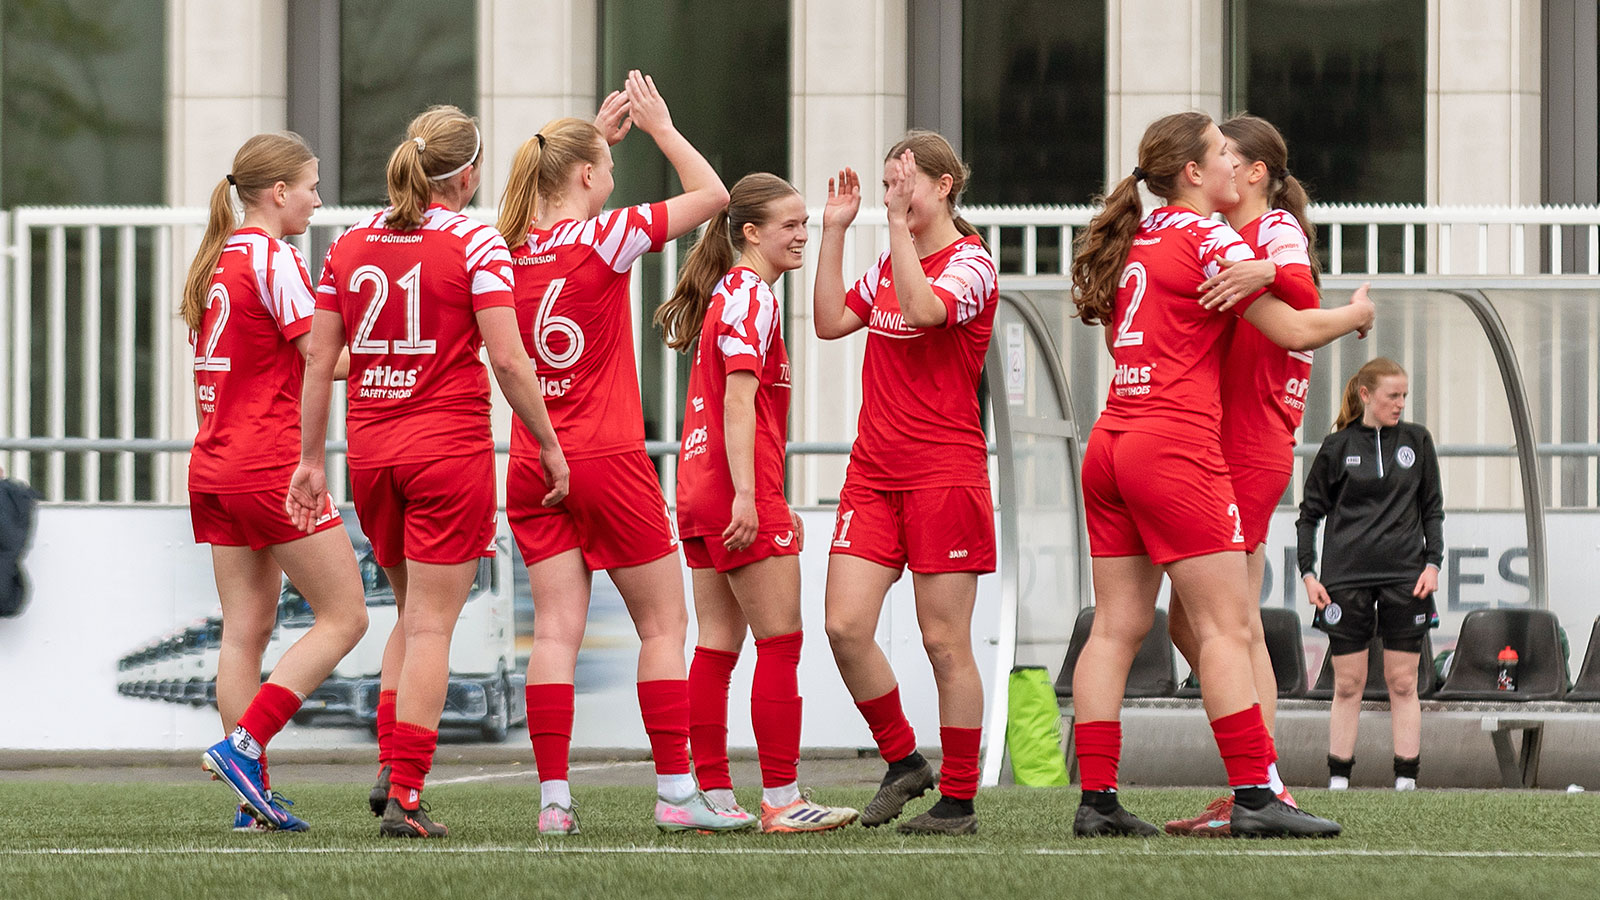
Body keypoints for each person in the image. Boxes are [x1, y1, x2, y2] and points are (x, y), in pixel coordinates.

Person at [1068, 111, 1373, 839]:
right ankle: (1257, 794)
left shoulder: (1138, 234)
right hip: (1174, 446)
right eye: (1219, 153)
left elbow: (1131, 334)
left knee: (1114, 629)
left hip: (1111, 438)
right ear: (1195, 172)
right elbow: (1293, 326)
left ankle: (1097, 801)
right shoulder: (1210, 235)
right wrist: (1358, 311)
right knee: (1229, 628)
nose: (1231, 165)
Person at [287, 105, 569, 839]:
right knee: (435, 628)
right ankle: (407, 795)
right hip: (446, 451)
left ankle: (391, 769)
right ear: (467, 175)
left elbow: (318, 361)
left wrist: (311, 459)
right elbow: (509, 360)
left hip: (372, 454)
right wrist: (548, 442)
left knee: (411, 618)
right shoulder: (476, 240)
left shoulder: (348, 243)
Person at [495, 71, 746, 835]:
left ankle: (554, 804)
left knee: (554, 633)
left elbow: (553, 191)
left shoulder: (504, 248)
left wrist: (591, 141)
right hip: (605, 459)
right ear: (583, 176)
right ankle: (675, 792)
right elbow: (714, 195)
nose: (613, 175)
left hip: (531, 461)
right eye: (605, 166)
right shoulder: (605, 236)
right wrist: (661, 129)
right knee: (663, 626)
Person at [655, 172, 858, 833]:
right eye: (790, 226)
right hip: (731, 491)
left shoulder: (729, 292)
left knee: (717, 645)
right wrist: (751, 495)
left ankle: (710, 796)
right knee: (780, 642)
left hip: (698, 489)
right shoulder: (753, 296)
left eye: (805, 224)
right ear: (750, 233)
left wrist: (768, 493)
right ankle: (783, 799)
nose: (801, 236)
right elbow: (739, 403)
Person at [813, 130, 996, 836]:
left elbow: (925, 311)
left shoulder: (971, 262)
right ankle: (904, 760)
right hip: (873, 474)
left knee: (945, 642)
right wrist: (835, 230)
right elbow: (830, 320)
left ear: (944, 187)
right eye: (889, 183)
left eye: (904, 182)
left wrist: (894, 227)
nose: (894, 194)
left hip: (944, 476)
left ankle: (959, 800)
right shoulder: (892, 261)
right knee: (844, 626)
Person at [190, 132, 368, 833]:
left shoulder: (218, 259)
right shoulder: (274, 258)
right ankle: (243, 747)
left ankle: (251, 799)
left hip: (216, 463)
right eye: (312, 187)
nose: (318, 201)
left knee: (245, 631)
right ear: (278, 192)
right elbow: (324, 359)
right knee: (346, 616)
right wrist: (416, 352)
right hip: (268, 464)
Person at [1163, 113, 1321, 835]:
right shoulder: (1217, 235)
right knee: (1200, 621)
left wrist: (1268, 270)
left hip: (1250, 443)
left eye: (1229, 154)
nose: (1219, 164)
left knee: (1234, 622)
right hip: (1216, 439)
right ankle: (1257, 778)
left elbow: (1305, 296)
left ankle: (1263, 786)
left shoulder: (1274, 228)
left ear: (1257, 172)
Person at [1297, 357, 1442, 791]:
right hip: (1344, 580)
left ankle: (1406, 780)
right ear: (1366, 395)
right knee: (1348, 684)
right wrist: (1308, 574)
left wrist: (1433, 564)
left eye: (1404, 396)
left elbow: (1432, 509)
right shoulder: (1336, 446)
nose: (1400, 404)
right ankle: (1339, 779)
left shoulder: (1417, 440)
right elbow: (1309, 515)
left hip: (1406, 577)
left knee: (1403, 682)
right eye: (1392, 396)